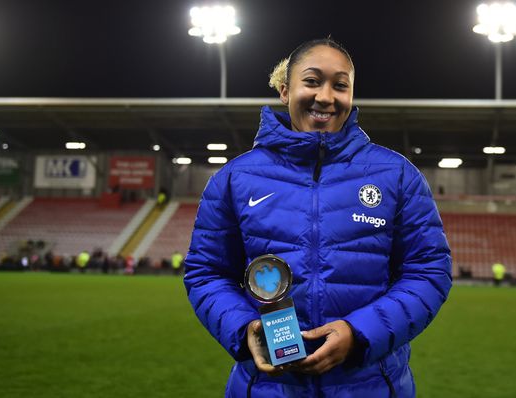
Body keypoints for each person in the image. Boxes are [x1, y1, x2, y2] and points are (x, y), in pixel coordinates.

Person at [183, 38, 452, 397]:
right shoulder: (234, 179)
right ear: (284, 90)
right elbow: (207, 272)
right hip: (267, 387)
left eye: (340, 85)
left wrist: (358, 335)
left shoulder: (396, 175)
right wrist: (243, 328)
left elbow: (428, 271)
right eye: (312, 81)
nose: (326, 97)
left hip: (370, 386)